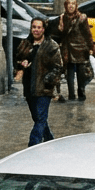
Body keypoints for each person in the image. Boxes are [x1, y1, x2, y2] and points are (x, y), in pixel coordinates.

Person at [15, 17, 63, 147]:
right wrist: (22, 64)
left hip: (44, 88)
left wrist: (49, 80)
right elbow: (18, 60)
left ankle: (33, 146)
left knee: (40, 119)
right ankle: (50, 140)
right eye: (33, 27)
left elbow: (58, 67)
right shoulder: (25, 43)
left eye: (39, 27)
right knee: (38, 118)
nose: (36, 30)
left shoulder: (51, 46)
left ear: (43, 29)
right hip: (29, 87)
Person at [56, 0, 95, 102]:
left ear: (76, 5)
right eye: (69, 3)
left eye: (73, 3)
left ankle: (81, 93)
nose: (71, 5)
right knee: (68, 73)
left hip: (80, 48)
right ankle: (71, 95)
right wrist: (60, 24)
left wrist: (91, 47)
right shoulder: (62, 17)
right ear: (65, 6)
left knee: (81, 73)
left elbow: (88, 33)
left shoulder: (82, 17)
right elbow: (60, 33)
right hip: (67, 48)